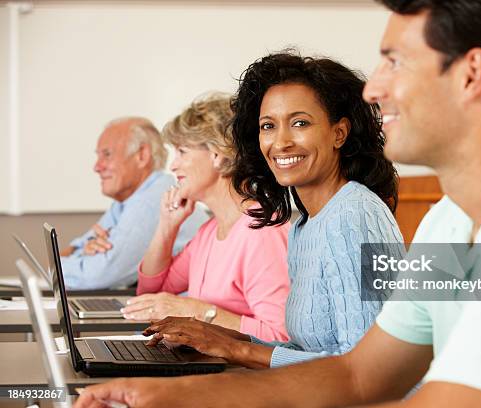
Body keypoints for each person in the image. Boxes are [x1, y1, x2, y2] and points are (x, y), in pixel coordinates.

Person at [75, 0, 481, 407]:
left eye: (394, 62)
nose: (374, 89)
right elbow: (361, 371)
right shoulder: (447, 223)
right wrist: (168, 396)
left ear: (472, 73)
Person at [140, 52, 403, 368]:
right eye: (268, 126)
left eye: (300, 123)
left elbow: (368, 367)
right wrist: (215, 338)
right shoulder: (306, 224)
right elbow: (304, 347)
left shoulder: (355, 216)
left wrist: (236, 349)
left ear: (339, 133)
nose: (280, 142)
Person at [120, 93, 290, 342]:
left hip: (245, 376)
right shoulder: (209, 232)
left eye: (182, 151)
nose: (173, 166)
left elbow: (279, 337)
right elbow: (152, 296)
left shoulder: (262, 232)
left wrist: (197, 312)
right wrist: (167, 227)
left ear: (217, 154)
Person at [60, 117, 207, 290]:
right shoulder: (127, 200)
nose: (97, 167)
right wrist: (84, 250)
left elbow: (95, 277)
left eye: (107, 154)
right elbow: (73, 250)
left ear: (142, 155)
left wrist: (59, 265)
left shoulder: (151, 201)